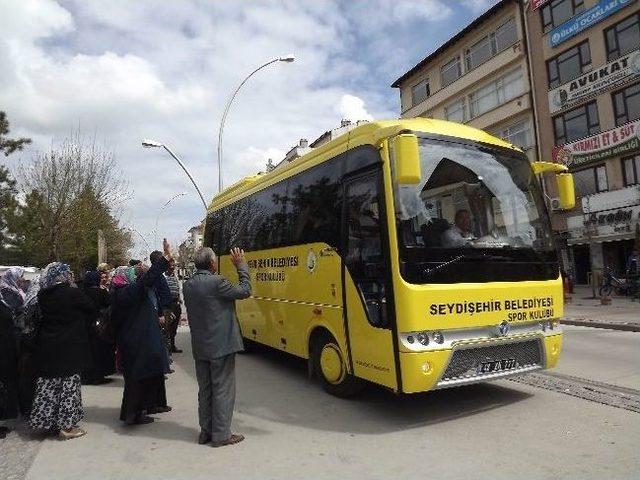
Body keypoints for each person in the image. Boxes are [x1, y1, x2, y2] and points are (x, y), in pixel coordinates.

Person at [183, 247, 251, 447]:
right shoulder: (218, 282)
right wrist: (240, 266)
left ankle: (206, 432)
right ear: (212, 263)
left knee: (205, 390)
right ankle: (221, 435)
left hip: (200, 346)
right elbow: (245, 290)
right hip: (221, 345)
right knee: (222, 389)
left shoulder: (188, 285)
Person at [111, 240, 173, 426]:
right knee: (136, 380)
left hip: (132, 341)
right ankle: (133, 415)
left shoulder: (120, 292)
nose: (136, 277)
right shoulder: (128, 292)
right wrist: (164, 259)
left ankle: (139, 411)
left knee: (139, 378)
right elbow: (149, 278)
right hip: (136, 341)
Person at [30, 263, 94, 440]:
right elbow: (90, 307)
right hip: (70, 346)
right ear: (64, 275)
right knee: (68, 387)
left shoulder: (43, 294)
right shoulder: (72, 292)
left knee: (49, 385)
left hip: (48, 345)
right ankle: (66, 427)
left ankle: (46, 422)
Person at [81, 270, 115, 385]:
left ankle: (85, 376)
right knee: (98, 352)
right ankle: (97, 376)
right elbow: (109, 303)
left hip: (84, 326)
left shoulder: (81, 291)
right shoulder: (100, 292)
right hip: (98, 326)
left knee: (86, 352)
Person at [150, 250, 175, 359]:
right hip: (161, 312)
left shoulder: (158, 275)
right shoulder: (154, 276)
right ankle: (162, 366)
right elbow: (155, 298)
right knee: (161, 339)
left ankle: (165, 363)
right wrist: (160, 314)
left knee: (165, 337)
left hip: (165, 310)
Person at [164, 258, 183, 353]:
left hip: (176, 304)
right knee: (167, 327)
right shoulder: (163, 277)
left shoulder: (175, 277)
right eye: (170, 265)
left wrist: (179, 299)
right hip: (168, 305)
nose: (172, 267)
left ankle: (172, 346)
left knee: (174, 327)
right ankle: (166, 348)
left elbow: (177, 289)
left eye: (173, 265)